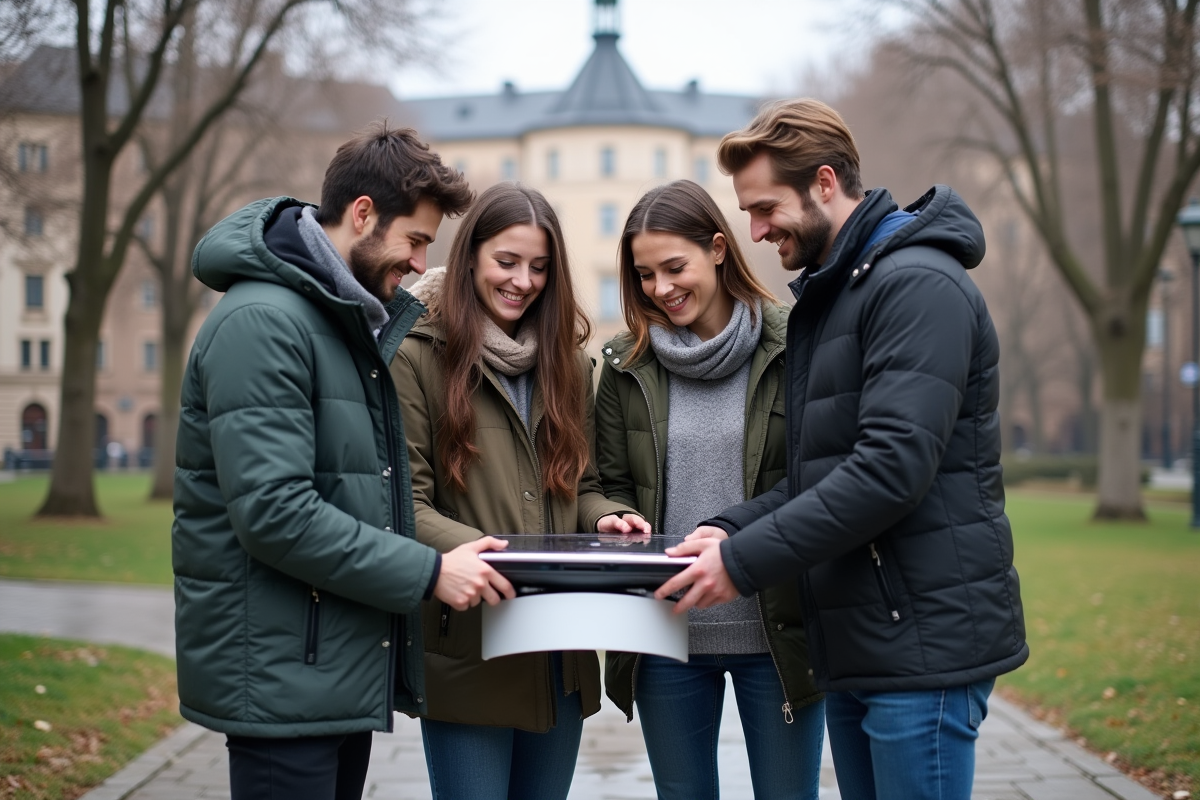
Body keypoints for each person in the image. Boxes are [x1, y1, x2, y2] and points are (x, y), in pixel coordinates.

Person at [656, 99, 1028, 800]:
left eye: (765, 209)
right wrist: (729, 527)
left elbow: (889, 470)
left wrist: (741, 562)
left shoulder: (917, 284)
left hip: (926, 648)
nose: (756, 231)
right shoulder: (837, 299)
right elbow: (822, 471)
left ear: (825, 183)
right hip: (865, 641)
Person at [173, 122, 517, 800]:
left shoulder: (337, 320)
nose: (421, 263)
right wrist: (429, 571)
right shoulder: (265, 322)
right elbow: (274, 512)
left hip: (326, 667)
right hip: (282, 679)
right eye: (415, 240)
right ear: (363, 214)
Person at [391, 182, 650, 800]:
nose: (522, 281)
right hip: (470, 647)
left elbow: (580, 485)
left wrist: (607, 517)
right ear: (472, 257)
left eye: (538, 267)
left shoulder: (568, 364)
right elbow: (406, 504)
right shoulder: (416, 355)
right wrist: (505, 557)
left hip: (557, 652)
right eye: (506, 262)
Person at [594, 179, 825, 800]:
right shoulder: (624, 365)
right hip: (664, 635)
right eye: (645, 275)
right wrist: (610, 515)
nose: (661, 289)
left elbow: (813, 483)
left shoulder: (794, 342)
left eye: (675, 267)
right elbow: (604, 484)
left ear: (719, 249)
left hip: (777, 628)